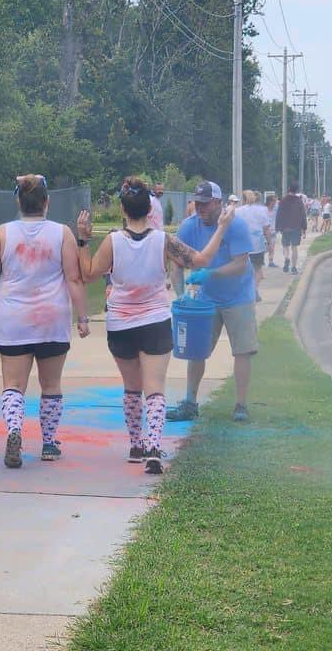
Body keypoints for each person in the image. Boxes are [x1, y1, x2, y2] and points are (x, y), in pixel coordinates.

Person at [76, 178, 234, 474]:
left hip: (120, 322)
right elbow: (199, 260)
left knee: (131, 388)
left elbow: (87, 274)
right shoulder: (163, 240)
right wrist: (222, 227)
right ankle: (153, 446)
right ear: (151, 208)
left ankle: (136, 444)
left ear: (123, 208)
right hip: (155, 321)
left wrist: (83, 240)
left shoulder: (112, 240)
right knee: (155, 389)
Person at [0, 175, 90, 469]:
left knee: (13, 385)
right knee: (51, 384)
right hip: (51, 318)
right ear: (46, 202)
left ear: (18, 202)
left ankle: (14, 430)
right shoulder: (62, 233)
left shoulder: (2, 233)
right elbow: (74, 278)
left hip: (14, 319)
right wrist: (83, 317)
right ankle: (49, 443)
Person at [168, 181, 258, 423]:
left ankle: (240, 405)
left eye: (205, 204)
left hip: (238, 296)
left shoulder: (236, 225)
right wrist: (180, 296)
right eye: (197, 203)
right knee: (197, 351)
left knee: (242, 350)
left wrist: (210, 273)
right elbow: (175, 263)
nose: (200, 208)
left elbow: (241, 264)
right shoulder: (188, 227)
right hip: (205, 299)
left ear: (218, 202)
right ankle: (190, 402)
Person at [235, 190, 272, 301]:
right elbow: (266, 229)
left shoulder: (237, 211)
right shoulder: (261, 211)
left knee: (242, 270)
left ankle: (246, 292)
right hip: (257, 245)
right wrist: (269, 243)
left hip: (242, 246)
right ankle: (254, 290)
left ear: (243, 199)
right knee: (258, 270)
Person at [276, 181, 308, 274]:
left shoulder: (283, 200)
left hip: (285, 227)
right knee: (294, 247)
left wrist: (279, 227)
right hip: (296, 227)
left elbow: (279, 214)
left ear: (289, 189)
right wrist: (304, 227)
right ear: (296, 190)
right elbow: (303, 214)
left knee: (285, 246)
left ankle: (286, 258)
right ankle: (293, 267)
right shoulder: (299, 201)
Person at [265, 193, 279, 267]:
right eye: (273, 201)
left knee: (272, 247)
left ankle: (271, 261)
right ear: (269, 202)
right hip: (265, 232)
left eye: (275, 201)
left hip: (273, 231)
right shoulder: (264, 209)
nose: (274, 203)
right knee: (265, 248)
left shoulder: (276, 208)